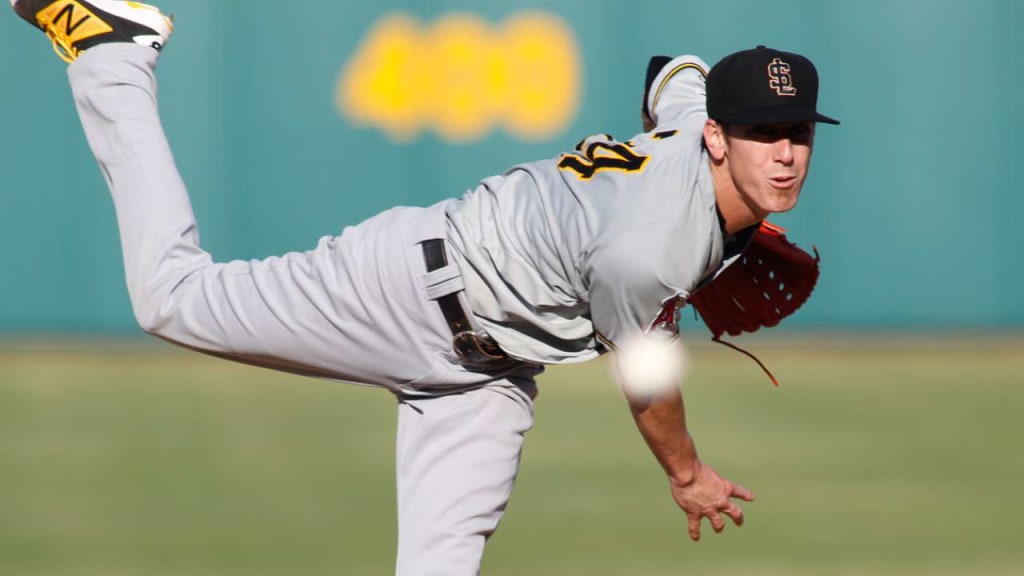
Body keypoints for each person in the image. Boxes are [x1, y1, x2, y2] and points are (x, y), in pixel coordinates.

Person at [11, 1, 839, 574]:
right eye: (761, 133)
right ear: (716, 136)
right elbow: (649, 383)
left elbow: (678, 70)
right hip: (407, 288)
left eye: (797, 133)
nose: (784, 153)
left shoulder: (687, 123)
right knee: (171, 298)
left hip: (490, 375)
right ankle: (113, 52)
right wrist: (688, 474)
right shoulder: (651, 249)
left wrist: (697, 184)